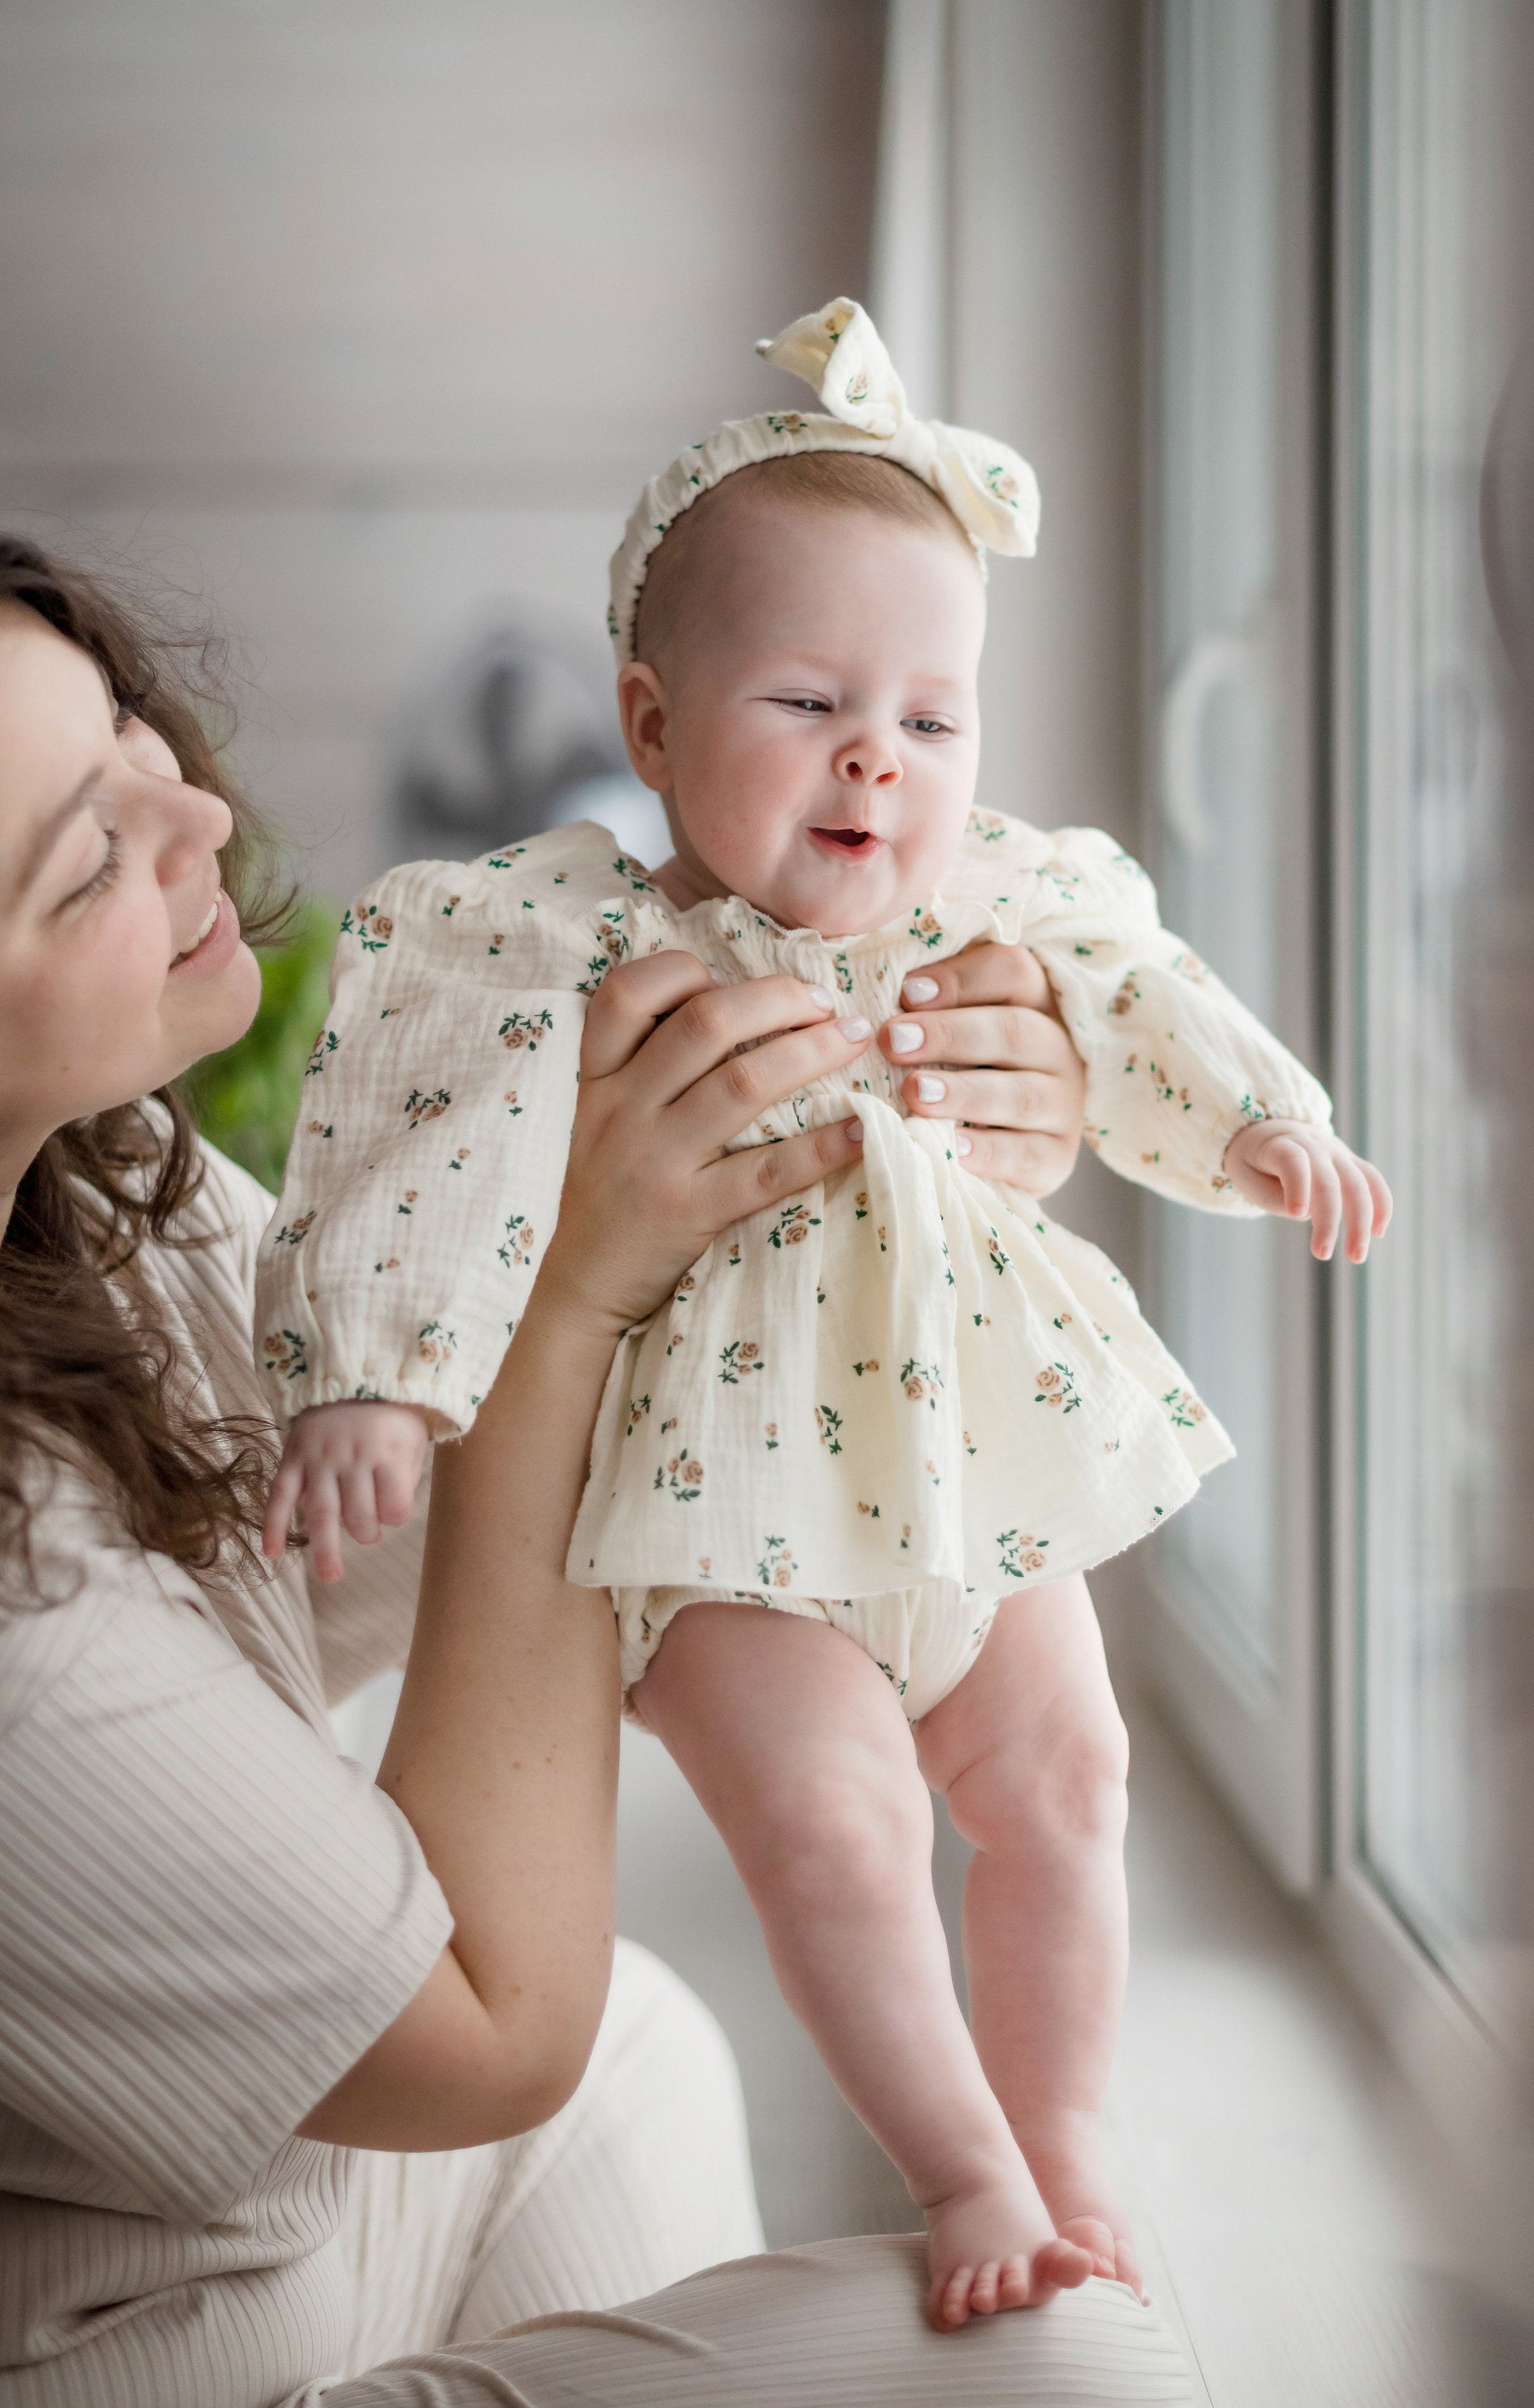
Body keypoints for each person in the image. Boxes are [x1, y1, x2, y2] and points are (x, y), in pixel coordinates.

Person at [258, 297, 1393, 2331]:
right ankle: (960, 2166)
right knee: (844, 1822)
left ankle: (1072, 2143)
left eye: (934, 719)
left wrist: (1269, 1124)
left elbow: (1147, 997)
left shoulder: (1001, 911)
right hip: (720, 1508)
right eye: (807, 703)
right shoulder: (581, 945)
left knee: (1070, 1775)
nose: (883, 754)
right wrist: (375, 1377)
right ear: (654, 721)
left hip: (964, 1471)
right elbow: (425, 1144)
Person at [0, 536, 1198, 2405]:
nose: (204, 819)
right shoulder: (20, 1625)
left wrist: (921, 1139)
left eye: (142, 738)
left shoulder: (86, 1189)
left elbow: (372, 1512)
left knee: (664, 2032)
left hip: (307, 2196)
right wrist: (565, 1296)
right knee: (1091, 2362)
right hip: (154, 2351)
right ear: (656, 720)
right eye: (89, 855)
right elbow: (492, 2035)